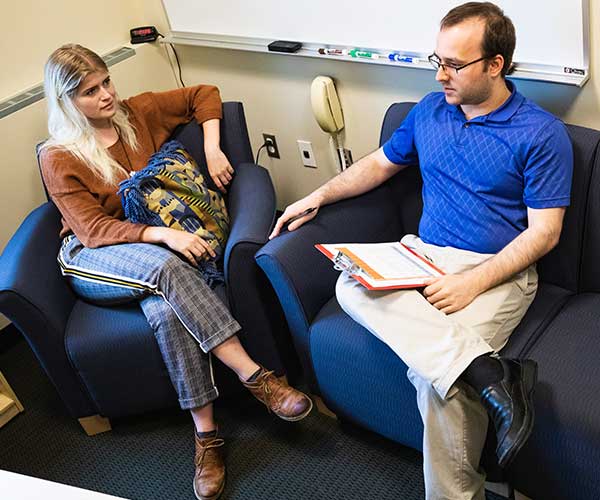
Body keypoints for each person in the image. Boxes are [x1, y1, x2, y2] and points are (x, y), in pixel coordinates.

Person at [270, 3, 572, 499]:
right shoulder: (429, 110)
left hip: (493, 270)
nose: (440, 74)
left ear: (495, 64)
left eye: (454, 64)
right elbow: (379, 165)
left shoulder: (541, 133)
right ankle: (489, 372)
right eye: (438, 59)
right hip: (423, 254)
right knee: (349, 280)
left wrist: (471, 281)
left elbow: (544, 234)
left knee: (437, 384)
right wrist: (316, 195)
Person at [40, 44, 313, 500]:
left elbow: (204, 93)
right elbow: (93, 230)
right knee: (167, 267)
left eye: (106, 81)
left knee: (167, 311)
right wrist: (164, 236)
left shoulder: (135, 113)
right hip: (94, 256)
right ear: (66, 101)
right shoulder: (60, 156)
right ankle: (255, 377)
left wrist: (212, 146)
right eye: (90, 92)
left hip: (152, 259)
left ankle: (206, 435)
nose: (106, 95)